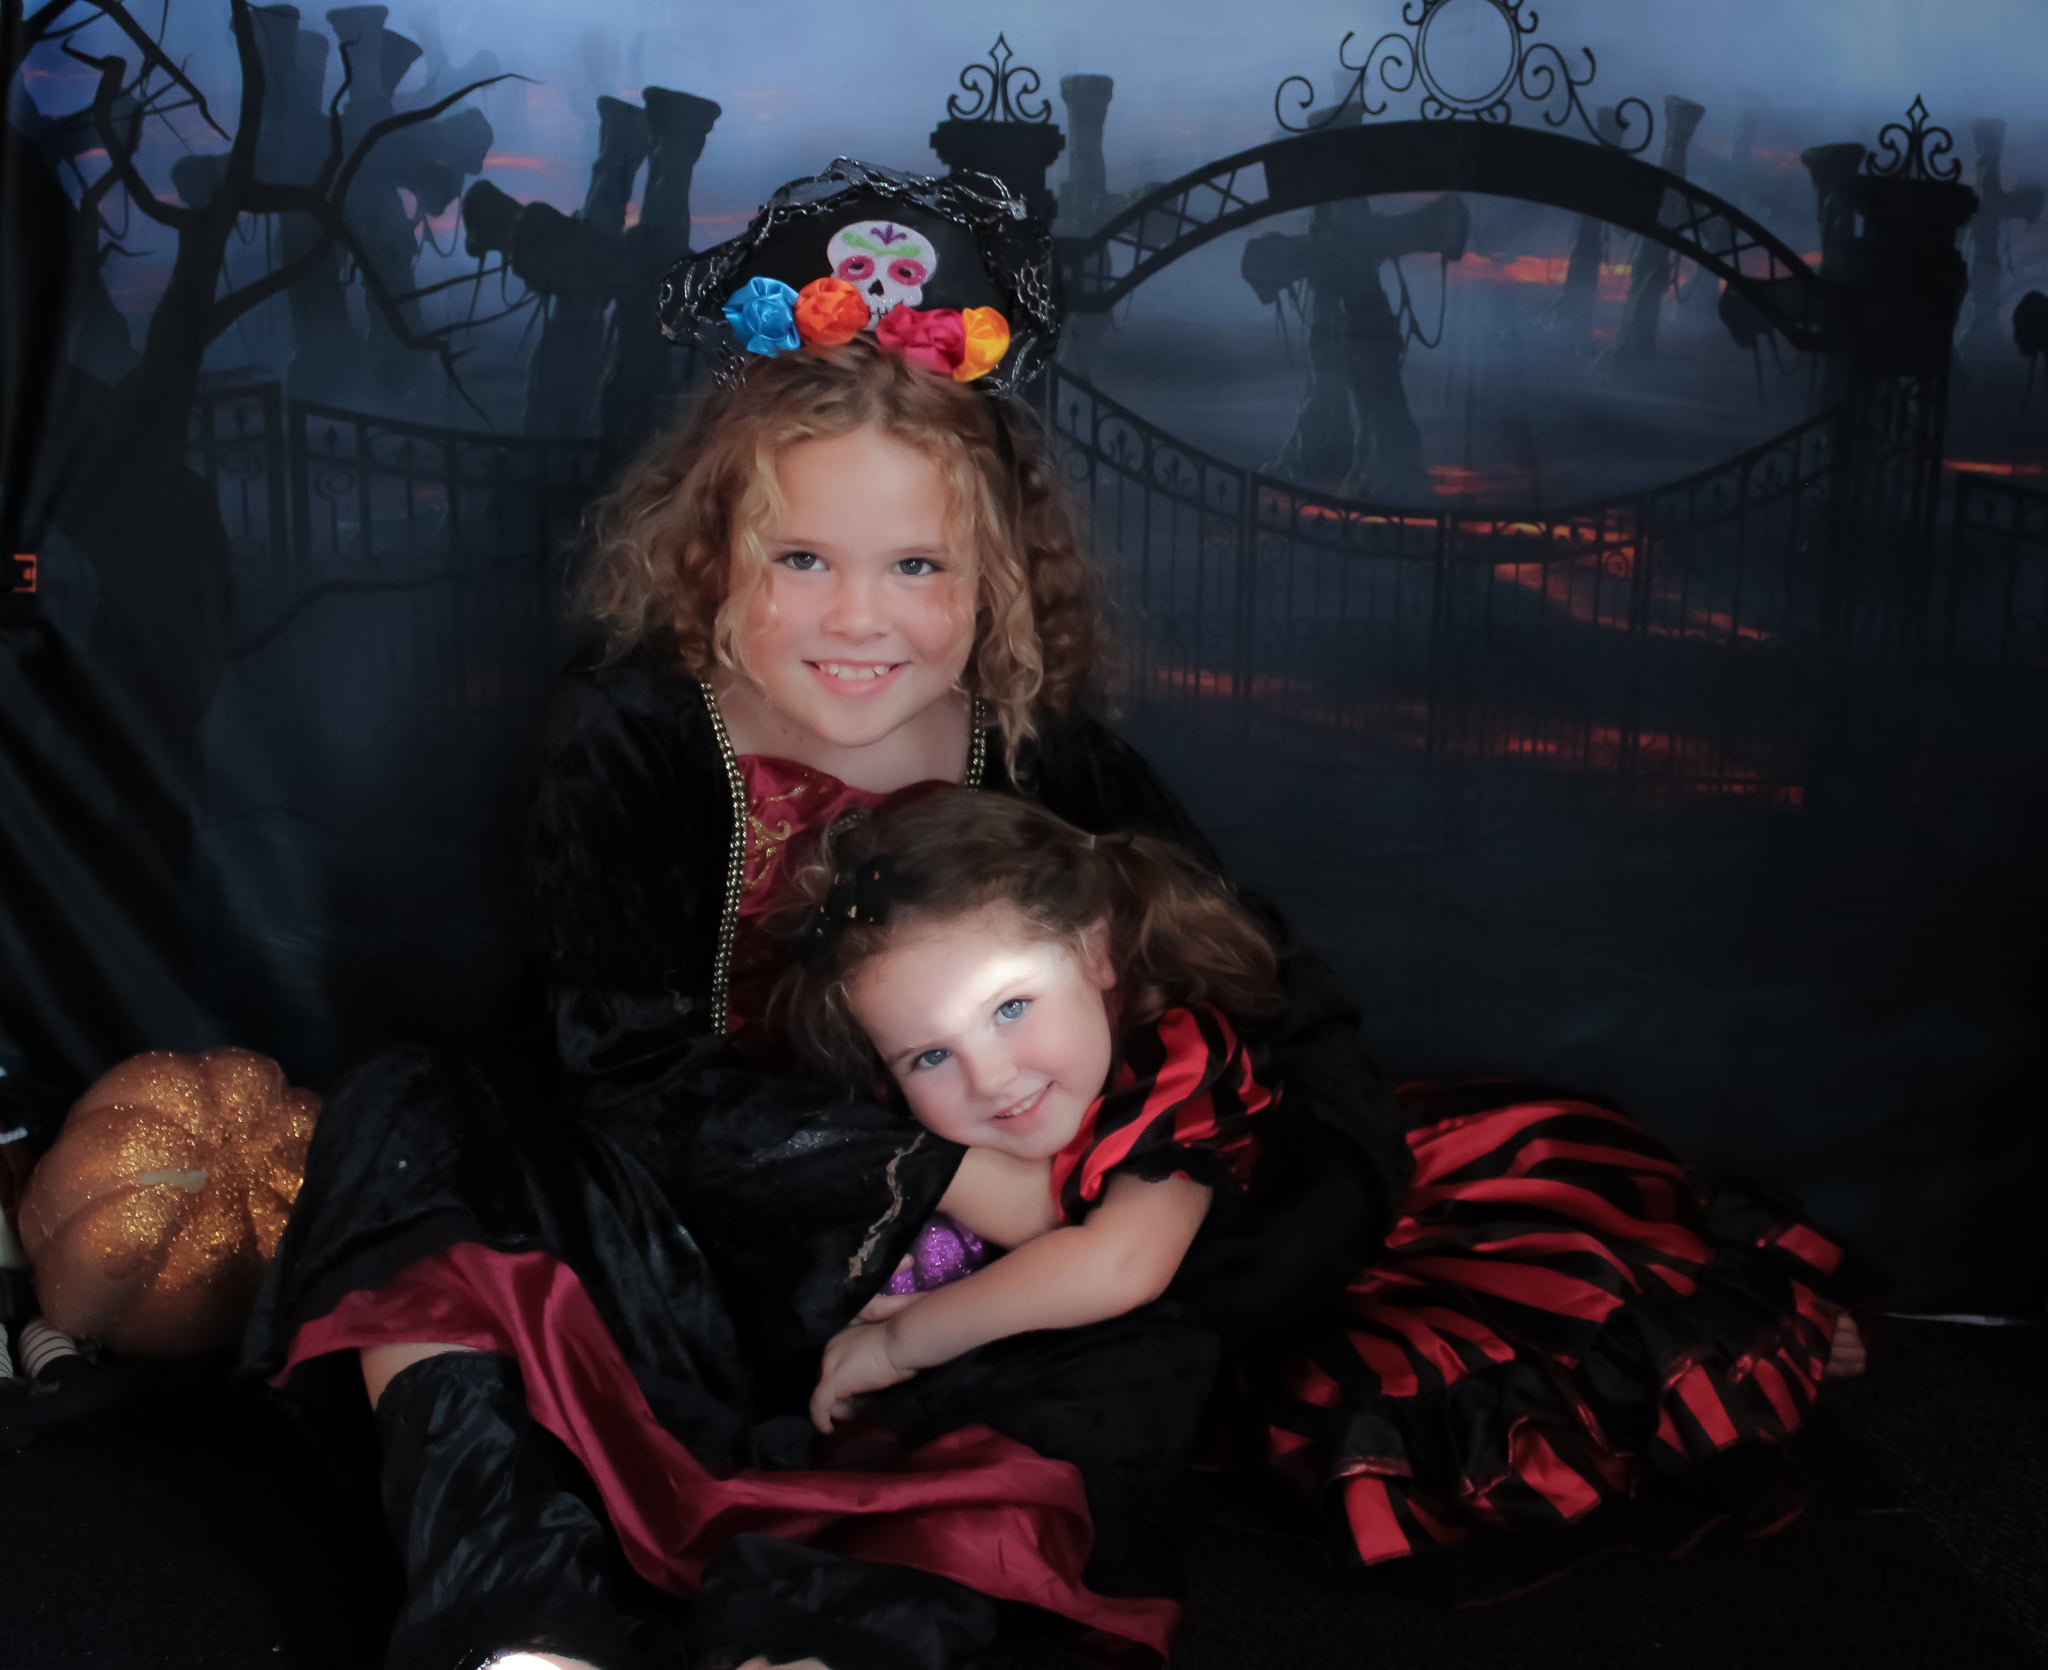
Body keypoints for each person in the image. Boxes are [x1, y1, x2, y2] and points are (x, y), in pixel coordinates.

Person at [241, 162, 1404, 1670]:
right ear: (708, 556)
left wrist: (1288, 1198)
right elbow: (629, 1070)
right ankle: (516, 1607)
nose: (859, 619)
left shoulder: (1037, 750)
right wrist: (957, 1175)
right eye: (802, 560)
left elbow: (1261, 983)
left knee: (1129, 1341)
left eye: (916, 566)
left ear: (998, 582)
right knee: (406, 1121)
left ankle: (837, 1634)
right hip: (677, 1238)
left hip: (949, 1293)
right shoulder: (639, 734)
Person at [765, 788, 1869, 1595]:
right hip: (1242, 1279)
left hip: (1402, 1238)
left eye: (1010, 1006)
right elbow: (1023, 1219)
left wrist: (900, 1341)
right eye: (929, 1056)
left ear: (1096, 953)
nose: (991, 1076)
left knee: (1582, 1335)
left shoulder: (1171, 1069)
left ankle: (1774, 1321)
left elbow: (1118, 1263)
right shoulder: (988, 1093)